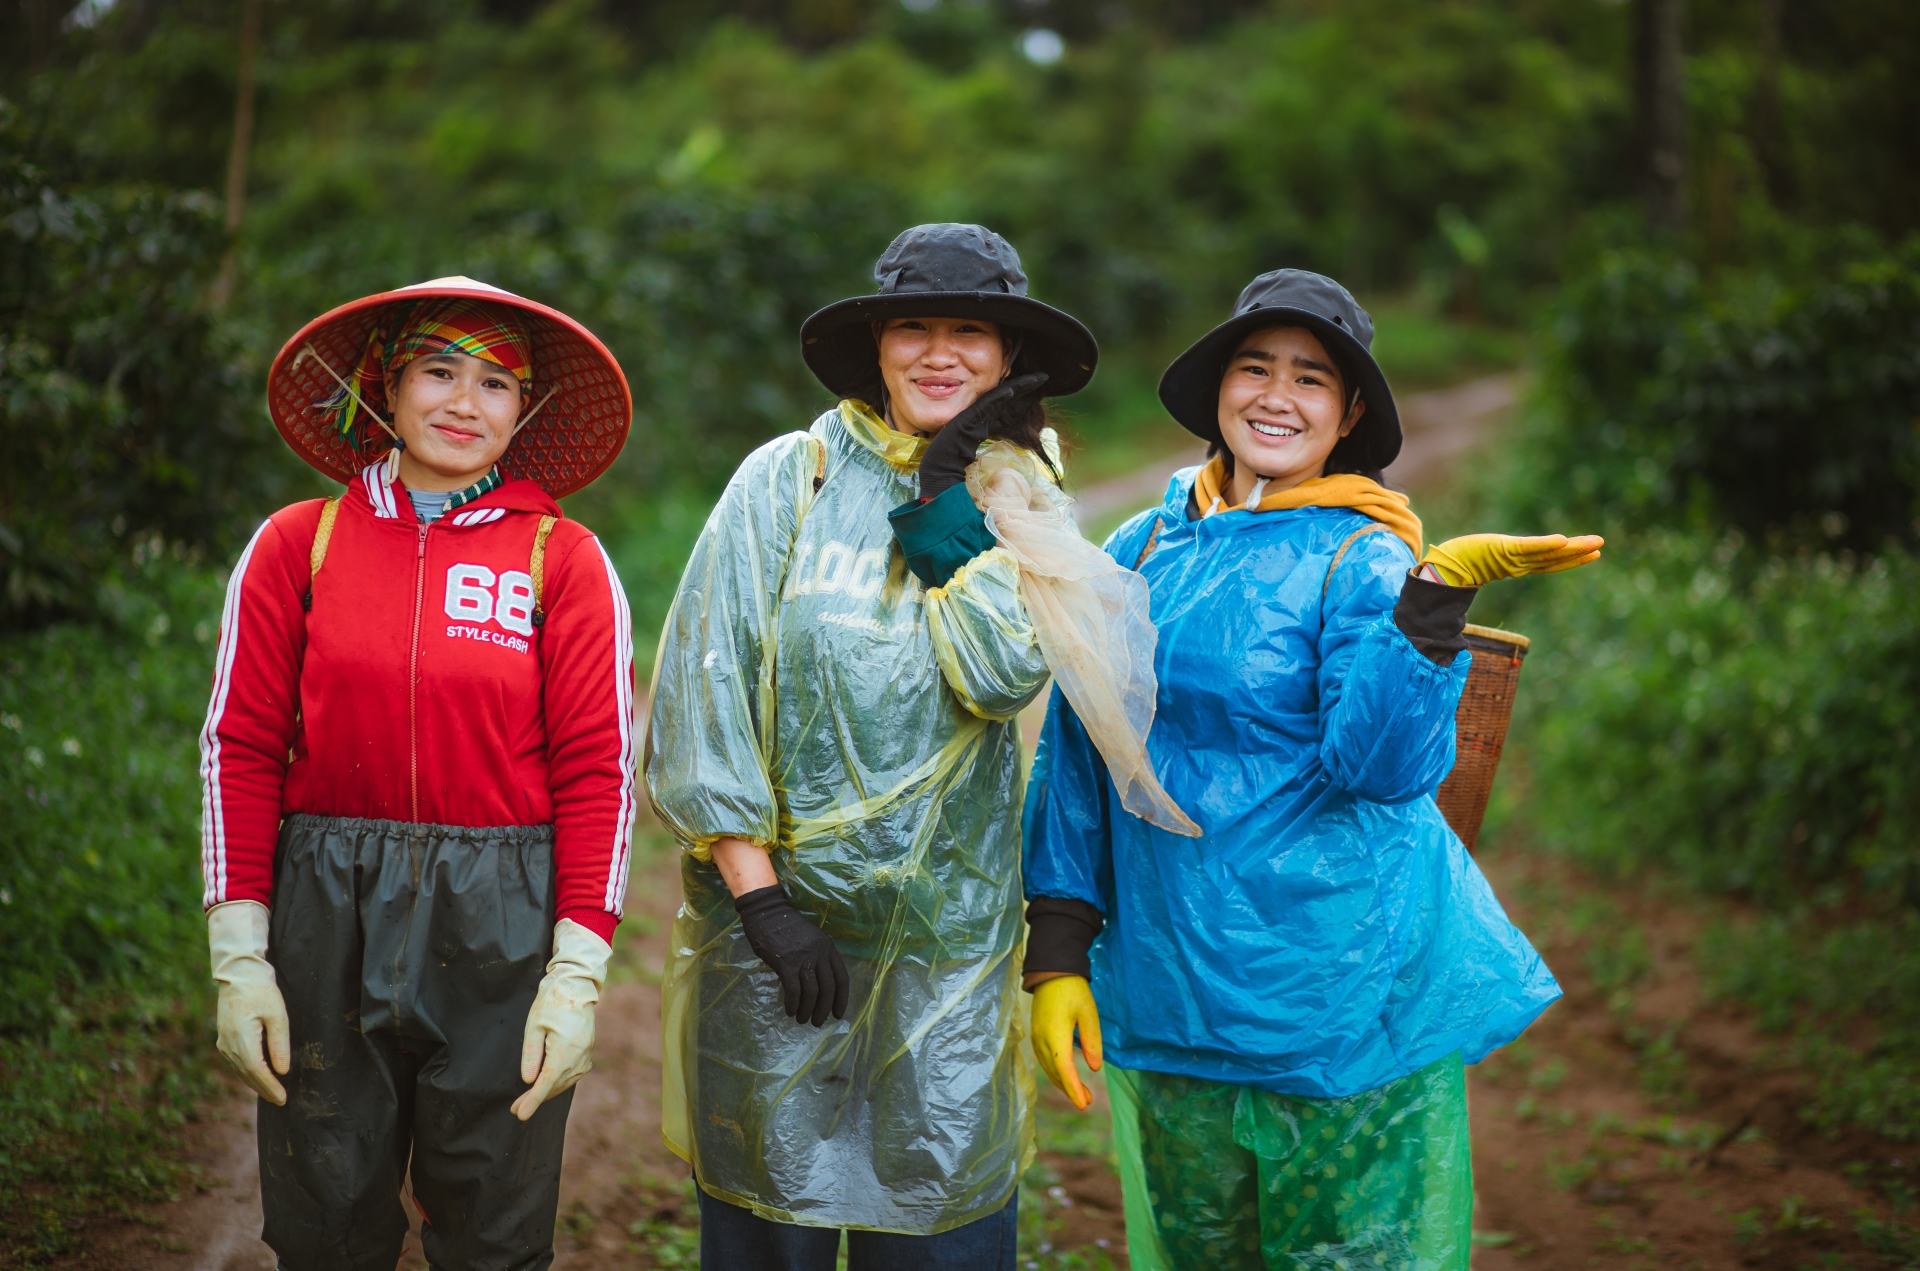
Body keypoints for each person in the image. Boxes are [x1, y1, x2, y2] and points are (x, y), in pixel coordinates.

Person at [1020, 270, 1603, 1271]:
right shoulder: (1143, 542)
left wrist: (1431, 599)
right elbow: (1080, 753)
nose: (1277, 397)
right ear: (1217, 389)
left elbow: (1379, 767)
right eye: (1255, 368)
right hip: (1170, 991)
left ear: (1349, 414)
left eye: (1311, 379)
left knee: (1352, 1253)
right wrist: (1059, 947)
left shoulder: (1362, 557)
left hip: (1334, 994)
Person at [647, 223, 1140, 1271]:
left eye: (971, 331)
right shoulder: (793, 477)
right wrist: (763, 901)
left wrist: (948, 490)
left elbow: (999, 674)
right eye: (914, 326)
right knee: (766, 1229)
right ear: (877, 346)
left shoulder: (1020, 495)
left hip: (945, 961)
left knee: (938, 1233)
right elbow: (706, 690)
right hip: (775, 950)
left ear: (1008, 360)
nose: (940, 352)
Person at [198, 276, 638, 1270]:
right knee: (326, 1218)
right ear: (382, 389)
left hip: (500, 917)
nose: (463, 403)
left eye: (494, 383)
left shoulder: (558, 558)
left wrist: (576, 971)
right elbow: (242, 745)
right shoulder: (295, 545)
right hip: (327, 906)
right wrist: (239, 953)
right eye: (437, 371)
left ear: (524, 411)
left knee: (493, 1225)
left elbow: (601, 770)